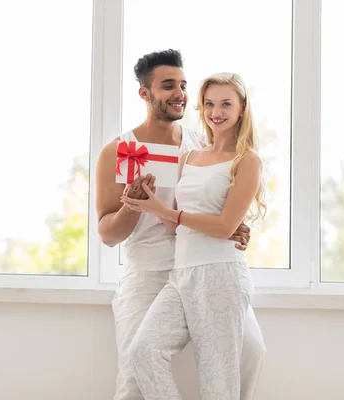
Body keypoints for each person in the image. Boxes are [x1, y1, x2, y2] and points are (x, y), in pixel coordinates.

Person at [95, 50, 265, 400]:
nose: (180, 94)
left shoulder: (196, 146)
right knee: (134, 375)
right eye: (168, 85)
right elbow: (107, 234)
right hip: (149, 273)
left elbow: (209, 201)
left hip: (204, 266)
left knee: (250, 350)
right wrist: (134, 205)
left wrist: (232, 226)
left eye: (184, 85)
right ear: (145, 93)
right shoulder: (121, 149)